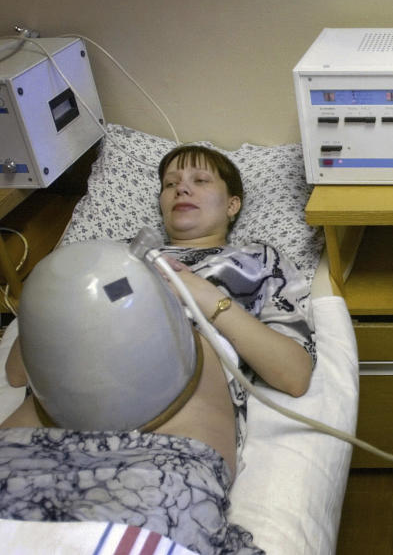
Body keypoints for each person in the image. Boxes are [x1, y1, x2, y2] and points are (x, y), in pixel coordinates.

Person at [0, 145, 317, 554]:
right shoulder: (103, 259)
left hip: (163, 449)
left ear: (233, 204)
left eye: (200, 181)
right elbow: (16, 372)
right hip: (38, 443)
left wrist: (201, 294)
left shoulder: (259, 261)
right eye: (170, 184)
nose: (181, 189)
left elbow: (293, 374)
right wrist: (66, 289)